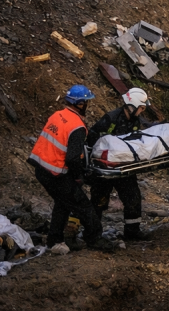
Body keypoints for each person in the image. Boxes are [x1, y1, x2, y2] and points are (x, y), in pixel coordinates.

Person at [30, 85, 114, 252]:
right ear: (80, 104)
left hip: (41, 168)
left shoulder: (57, 115)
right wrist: (78, 176)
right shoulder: (77, 127)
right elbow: (72, 158)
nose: (87, 105)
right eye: (87, 102)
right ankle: (94, 238)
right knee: (83, 205)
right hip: (56, 174)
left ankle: (54, 240)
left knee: (63, 203)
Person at [88, 87, 149, 241]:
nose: (142, 111)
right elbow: (93, 138)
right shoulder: (111, 118)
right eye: (141, 108)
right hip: (106, 168)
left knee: (133, 198)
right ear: (133, 105)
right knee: (99, 200)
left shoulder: (135, 121)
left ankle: (132, 231)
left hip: (124, 167)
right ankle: (93, 234)